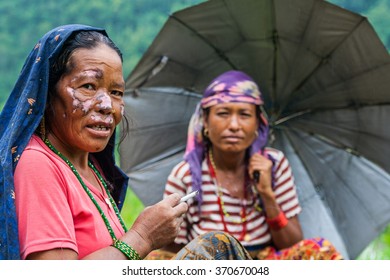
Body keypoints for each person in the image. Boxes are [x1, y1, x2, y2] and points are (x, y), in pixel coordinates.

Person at [0, 24, 252, 260]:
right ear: (46, 94)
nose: (107, 105)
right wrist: (142, 236)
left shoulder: (91, 169)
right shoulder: (38, 164)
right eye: (88, 86)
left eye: (116, 92)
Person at [146, 70, 343, 260]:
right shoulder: (186, 174)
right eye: (223, 113)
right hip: (212, 265)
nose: (234, 125)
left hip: (265, 264)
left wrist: (267, 194)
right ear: (205, 121)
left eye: (244, 115)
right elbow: (173, 251)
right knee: (155, 259)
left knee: (318, 250)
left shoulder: (273, 165)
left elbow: (291, 244)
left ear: (258, 123)